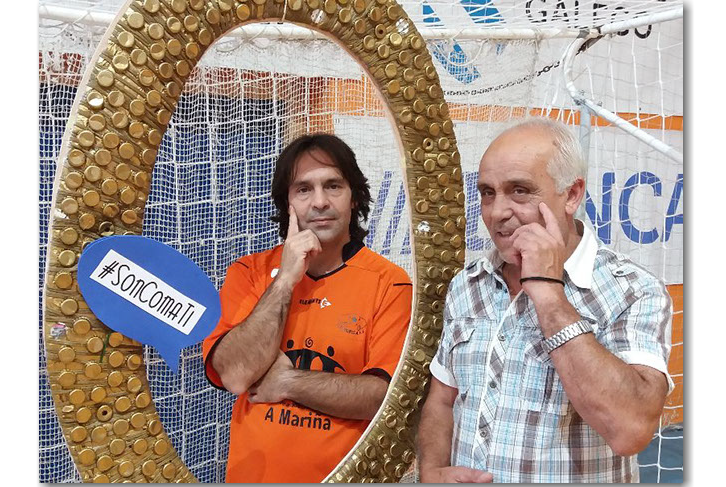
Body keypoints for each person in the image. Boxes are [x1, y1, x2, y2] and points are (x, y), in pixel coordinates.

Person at [417, 118, 673, 483]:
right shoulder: (468, 283)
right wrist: (431, 472)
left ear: (572, 195)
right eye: (487, 192)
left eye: (519, 190)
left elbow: (631, 430)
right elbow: (443, 399)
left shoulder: (632, 289)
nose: (497, 212)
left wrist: (549, 294)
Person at [202, 133, 413, 483]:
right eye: (303, 189)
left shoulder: (389, 283)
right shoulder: (249, 272)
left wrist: (288, 381)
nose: (320, 202)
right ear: (286, 202)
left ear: (354, 197)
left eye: (333, 186)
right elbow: (235, 375)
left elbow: (382, 400)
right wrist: (285, 280)